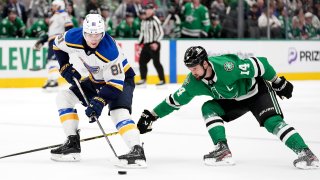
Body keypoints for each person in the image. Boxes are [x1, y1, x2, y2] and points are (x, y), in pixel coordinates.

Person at [137, 46, 320, 170]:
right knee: (208, 107)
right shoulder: (194, 81)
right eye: (189, 68)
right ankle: (222, 149)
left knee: (272, 122)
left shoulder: (227, 67)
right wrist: (152, 116)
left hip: (256, 92)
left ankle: (306, 153)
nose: (192, 72)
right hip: (234, 100)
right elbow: (174, 100)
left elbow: (261, 64)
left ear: (205, 63)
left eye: (195, 67)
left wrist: (277, 81)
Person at [50, 13, 147, 168]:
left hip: (121, 80)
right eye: (89, 34)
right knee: (63, 97)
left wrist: (99, 102)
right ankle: (72, 144)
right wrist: (64, 66)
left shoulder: (110, 51)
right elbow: (56, 44)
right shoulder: (72, 37)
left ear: (103, 33)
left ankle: (137, 151)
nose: (94, 39)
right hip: (96, 79)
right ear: (83, 32)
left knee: (118, 112)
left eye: (98, 35)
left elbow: (114, 85)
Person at [33, 0, 73, 90]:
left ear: (59, 6)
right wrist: (43, 41)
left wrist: (66, 40)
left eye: (54, 5)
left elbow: (69, 26)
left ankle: (54, 81)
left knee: (54, 61)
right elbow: (51, 32)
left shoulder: (64, 15)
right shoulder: (54, 16)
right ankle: (51, 79)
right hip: (52, 40)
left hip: (58, 40)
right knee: (50, 61)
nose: (52, 7)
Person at [136, 4, 165, 86]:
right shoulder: (143, 21)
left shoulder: (155, 20)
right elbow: (142, 33)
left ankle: (162, 80)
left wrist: (156, 42)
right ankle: (143, 79)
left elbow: (161, 33)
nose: (148, 11)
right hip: (146, 45)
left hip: (154, 44)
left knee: (156, 62)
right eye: (147, 9)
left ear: (153, 10)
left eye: (150, 9)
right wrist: (139, 42)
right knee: (142, 61)